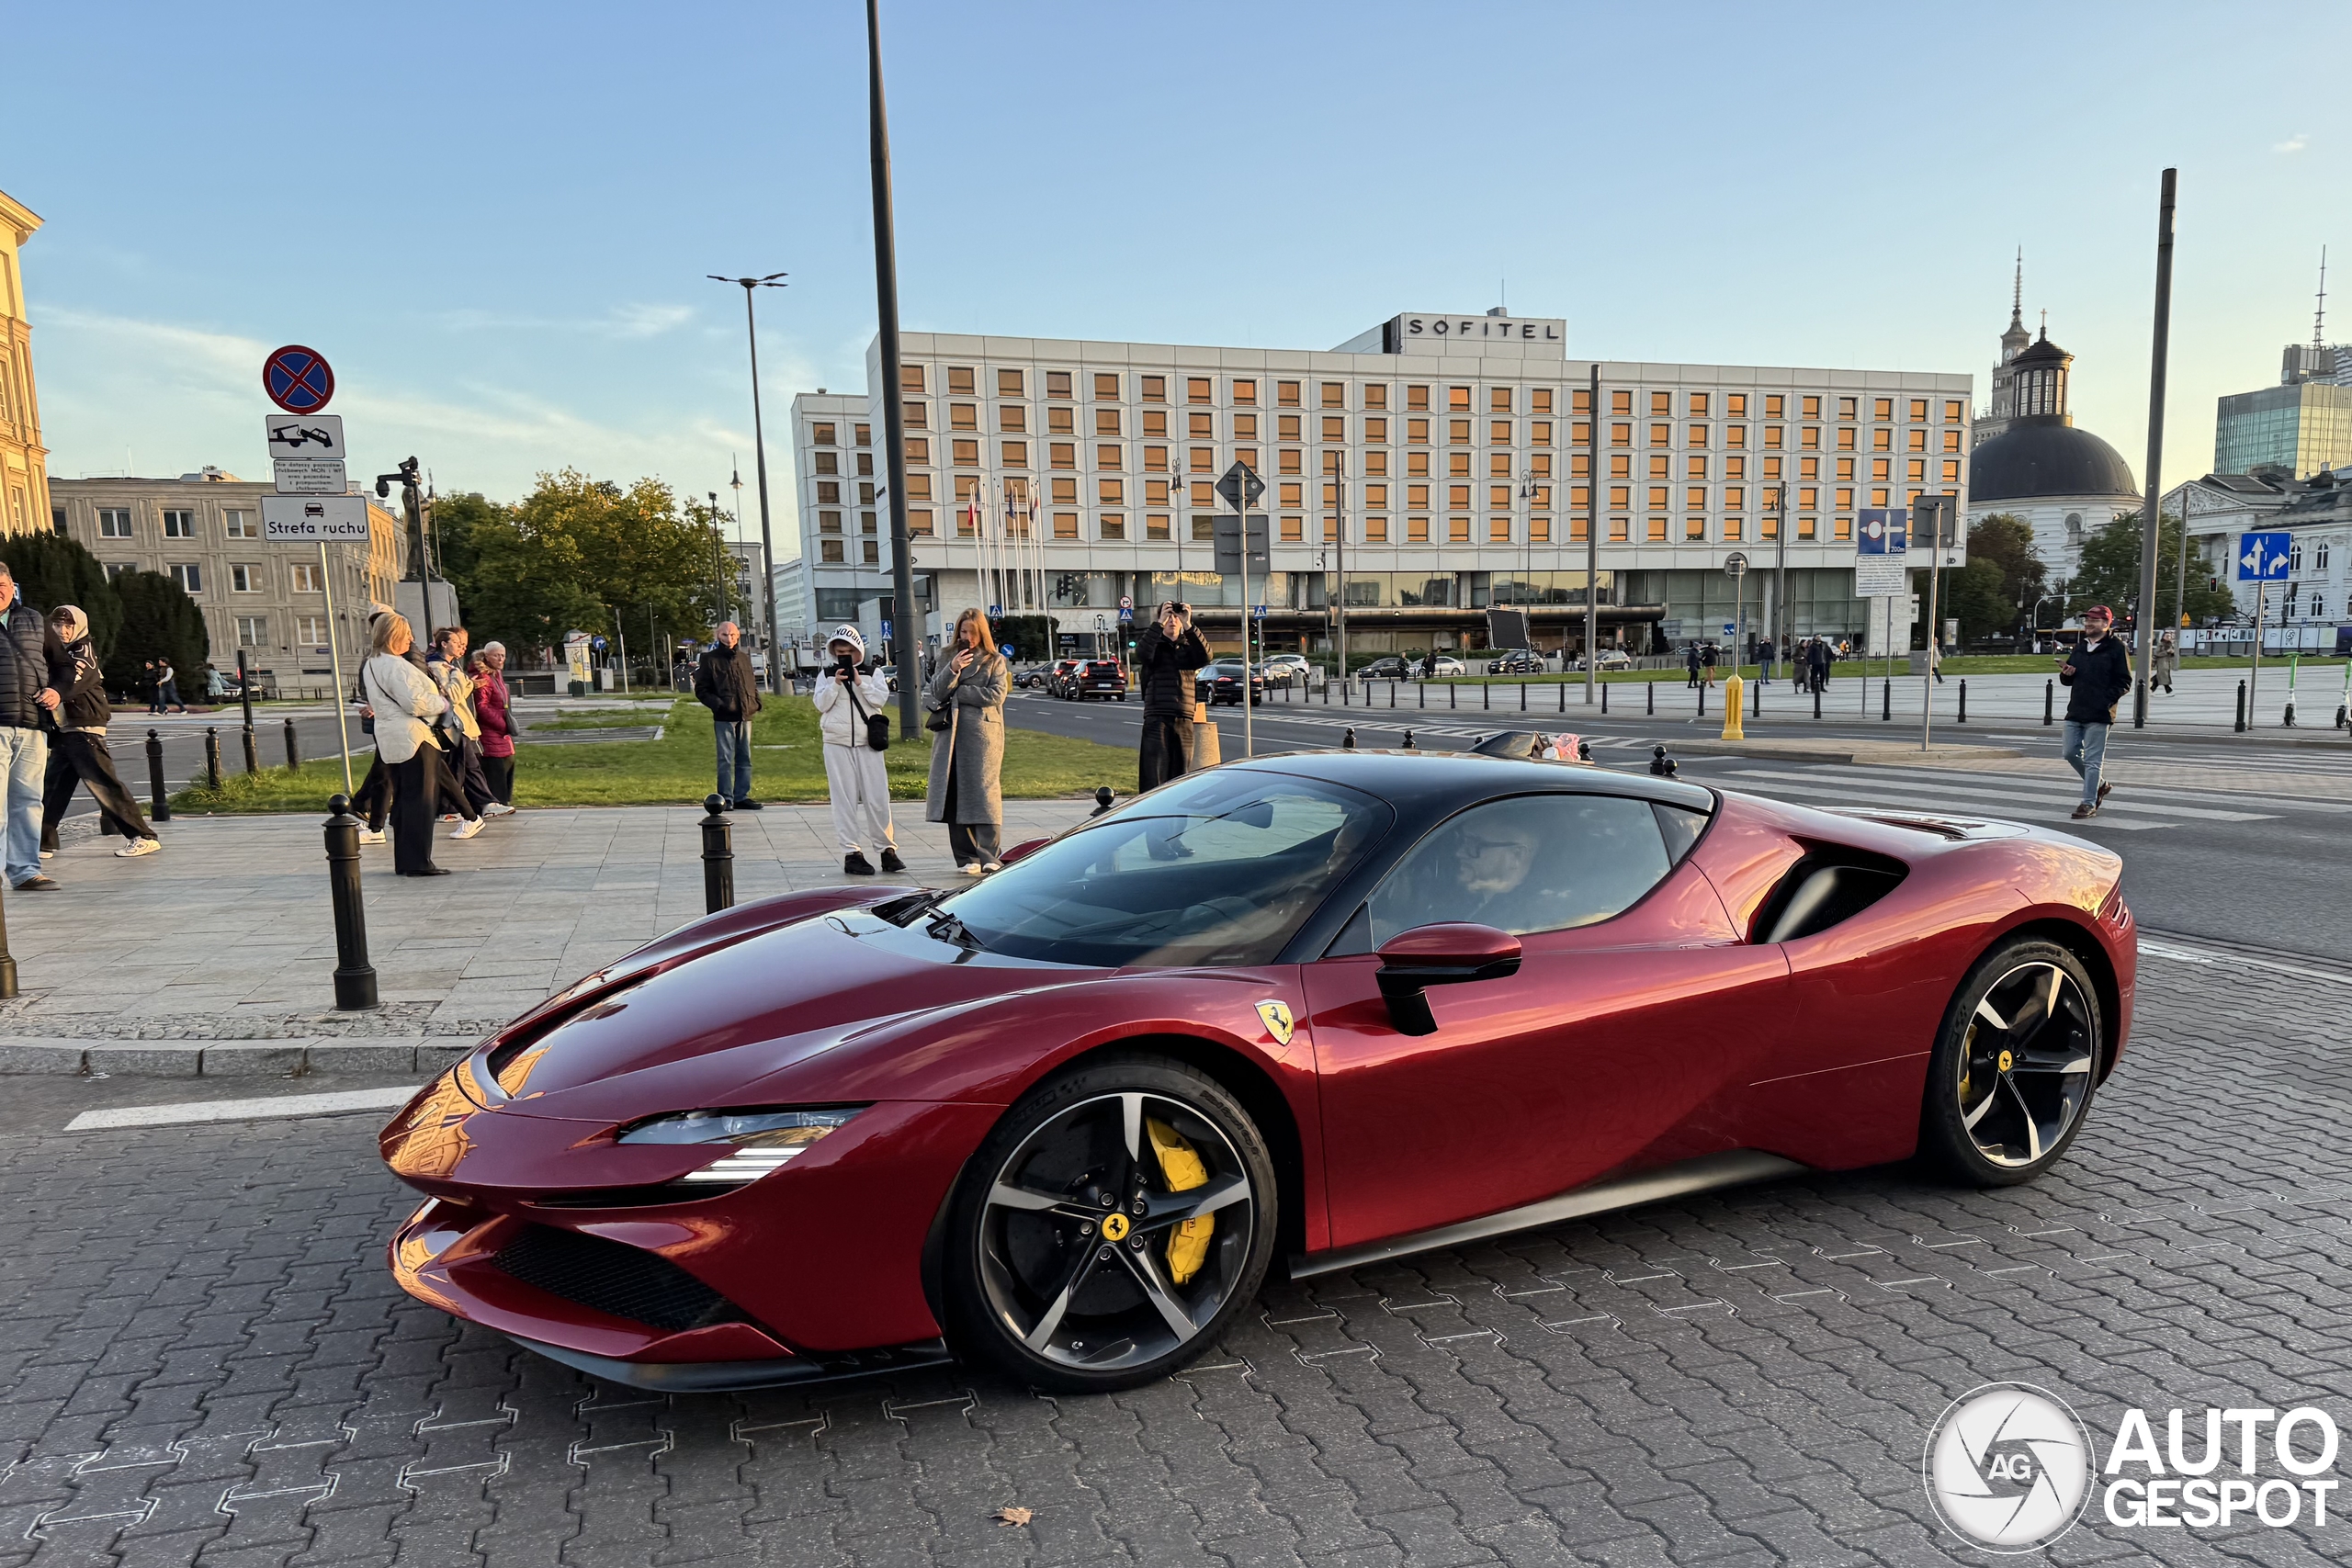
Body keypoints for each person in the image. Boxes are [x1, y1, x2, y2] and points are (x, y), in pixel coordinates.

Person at [40, 606, 161, 860]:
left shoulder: (81, 652)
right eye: (57, 625)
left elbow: (71, 681)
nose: (61, 631)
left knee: (103, 782)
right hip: (67, 727)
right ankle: (43, 842)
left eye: (68, 626)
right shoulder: (59, 652)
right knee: (53, 786)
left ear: (79, 627)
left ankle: (143, 836)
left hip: (84, 725)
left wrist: (51, 693)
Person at [363, 613, 457, 874]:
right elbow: (415, 703)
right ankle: (419, 862)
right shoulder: (396, 665)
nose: (411, 639)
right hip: (414, 737)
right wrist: (442, 703)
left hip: (389, 736)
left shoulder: (371, 664)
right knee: (421, 801)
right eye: (407, 635)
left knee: (403, 800)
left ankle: (404, 860)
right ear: (393, 636)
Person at [0, 561, 71, 891]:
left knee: (28, 800)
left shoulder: (34, 620)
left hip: (32, 725)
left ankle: (26, 870)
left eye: (1, 587)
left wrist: (57, 691)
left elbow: (64, 666)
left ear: (12, 586)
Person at [812, 624, 901, 876]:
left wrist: (860, 682)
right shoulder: (827, 674)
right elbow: (821, 704)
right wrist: (836, 684)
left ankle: (887, 850)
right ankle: (852, 852)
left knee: (877, 797)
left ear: (858, 650)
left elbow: (879, 700)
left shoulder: (874, 673)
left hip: (868, 741)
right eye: (840, 651)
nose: (845, 656)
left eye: (849, 652)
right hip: (836, 742)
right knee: (844, 800)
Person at [925, 607, 1009, 874]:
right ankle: (966, 857)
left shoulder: (994, 660)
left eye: (973, 633)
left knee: (984, 793)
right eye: (963, 632)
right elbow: (937, 691)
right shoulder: (947, 657)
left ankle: (989, 855)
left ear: (982, 633)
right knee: (954, 791)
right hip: (951, 734)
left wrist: (961, 691)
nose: (968, 638)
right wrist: (953, 669)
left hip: (983, 736)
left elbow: (996, 694)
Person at [2058, 604, 2133, 820]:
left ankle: (2088, 803)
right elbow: (2068, 679)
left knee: (2093, 760)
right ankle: (2101, 785)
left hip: (2100, 713)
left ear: (2106, 623)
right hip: (2076, 710)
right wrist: (2068, 673)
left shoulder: (2116, 648)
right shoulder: (2081, 647)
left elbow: (2124, 681)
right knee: (2069, 753)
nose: (2088, 624)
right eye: (2087, 620)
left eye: (2093, 620)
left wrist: (2105, 702)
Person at [425, 626, 504, 828]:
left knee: (469, 766)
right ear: (444, 644)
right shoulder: (439, 666)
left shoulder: (450, 666)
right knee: (457, 767)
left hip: (456, 723)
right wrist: (462, 679)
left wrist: (465, 682)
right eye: (458, 643)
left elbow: (460, 690)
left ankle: (485, 803)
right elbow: (451, 696)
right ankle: (450, 808)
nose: (462, 648)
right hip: (448, 724)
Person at [1135, 600, 1210, 792]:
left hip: (1184, 718)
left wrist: (1189, 624)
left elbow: (1206, 656)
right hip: (1157, 717)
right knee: (1154, 774)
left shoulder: (1188, 648)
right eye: (1168, 616)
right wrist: (1158, 623)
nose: (1172, 620)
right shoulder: (1154, 646)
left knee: (1181, 775)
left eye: (1176, 617)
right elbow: (1142, 653)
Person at [694, 620, 763, 810]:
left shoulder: (744, 658)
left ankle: (741, 796)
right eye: (725, 634)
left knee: (745, 758)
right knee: (725, 758)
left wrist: (756, 703)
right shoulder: (710, 659)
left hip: (745, 714)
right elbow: (702, 690)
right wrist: (719, 705)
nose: (729, 638)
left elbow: (751, 684)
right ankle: (726, 798)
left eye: (732, 634)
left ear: (738, 636)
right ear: (718, 636)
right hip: (725, 716)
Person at [471, 641, 516, 806]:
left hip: (500, 732)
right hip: (490, 731)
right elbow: (481, 707)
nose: (501, 658)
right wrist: (502, 724)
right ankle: (495, 804)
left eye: (503, 655)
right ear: (486, 656)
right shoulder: (483, 677)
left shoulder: (496, 675)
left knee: (508, 761)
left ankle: (502, 802)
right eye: (496, 655)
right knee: (495, 769)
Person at [2152, 629, 2178, 694]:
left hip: (2167, 662)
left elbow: (2173, 655)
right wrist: (2166, 652)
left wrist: (2172, 653)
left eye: (2170, 636)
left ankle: (2152, 688)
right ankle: (2168, 690)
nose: (2168, 637)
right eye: (2167, 636)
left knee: (2161, 675)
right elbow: (2156, 653)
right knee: (2163, 675)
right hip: (2161, 662)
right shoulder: (2161, 644)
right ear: (2163, 637)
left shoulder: (2171, 644)